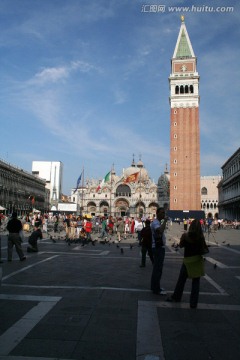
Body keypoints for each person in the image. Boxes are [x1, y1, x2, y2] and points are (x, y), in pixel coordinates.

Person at [166, 219, 207, 308]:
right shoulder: (200, 237)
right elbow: (203, 249)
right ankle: (193, 303)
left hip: (187, 260)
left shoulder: (185, 235)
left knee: (181, 280)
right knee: (196, 282)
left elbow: (181, 245)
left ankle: (176, 297)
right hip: (197, 261)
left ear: (190, 226)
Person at [150, 208, 168, 295]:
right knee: (158, 269)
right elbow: (160, 230)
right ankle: (156, 289)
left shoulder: (156, 222)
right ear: (157, 213)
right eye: (162, 213)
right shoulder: (156, 223)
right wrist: (165, 221)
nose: (163, 214)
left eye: (164, 213)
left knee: (156, 268)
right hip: (158, 248)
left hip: (158, 247)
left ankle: (154, 286)